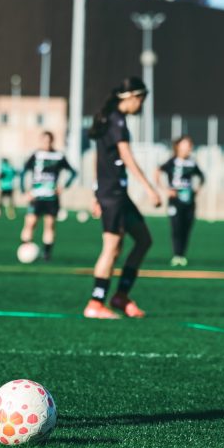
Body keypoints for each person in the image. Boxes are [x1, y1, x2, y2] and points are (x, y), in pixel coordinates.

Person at [84, 77, 162, 319]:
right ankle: (95, 303)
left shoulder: (110, 118)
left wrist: (96, 193)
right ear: (132, 97)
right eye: (141, 100)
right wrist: (149, 188)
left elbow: (99, 159)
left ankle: (120, 296)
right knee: (111, 248)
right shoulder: (116, 120)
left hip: (115, 194)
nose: (141, 105)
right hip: (113, 195)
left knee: (143, 240)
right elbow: (126, 156)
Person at [19, 131, 77, 261]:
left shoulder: (58, 156)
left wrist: (63, 186)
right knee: (30, 223)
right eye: (44, 140)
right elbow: (23, 172)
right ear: (41, 141)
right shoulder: (36, 155)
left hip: (51, 197)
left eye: (48, 141)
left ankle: (46, 254)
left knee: (49, 224)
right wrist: (24, 192)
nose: (46, 143)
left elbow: (73, 173)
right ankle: (25, 249)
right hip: (36, 197)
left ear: (52, 141)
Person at [155, 135, 205, 266]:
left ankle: (182, 255)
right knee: (176, 227)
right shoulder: (172, 162)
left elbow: (202, 177)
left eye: (189, 145)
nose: (188, 147)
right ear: (178, 146)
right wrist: (165, 190)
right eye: (185, 144)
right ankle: (176, 255)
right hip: (175, 200)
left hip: (189, 200)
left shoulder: (192, 162)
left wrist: (198, 189)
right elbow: (157, 171)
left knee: (186, 228)